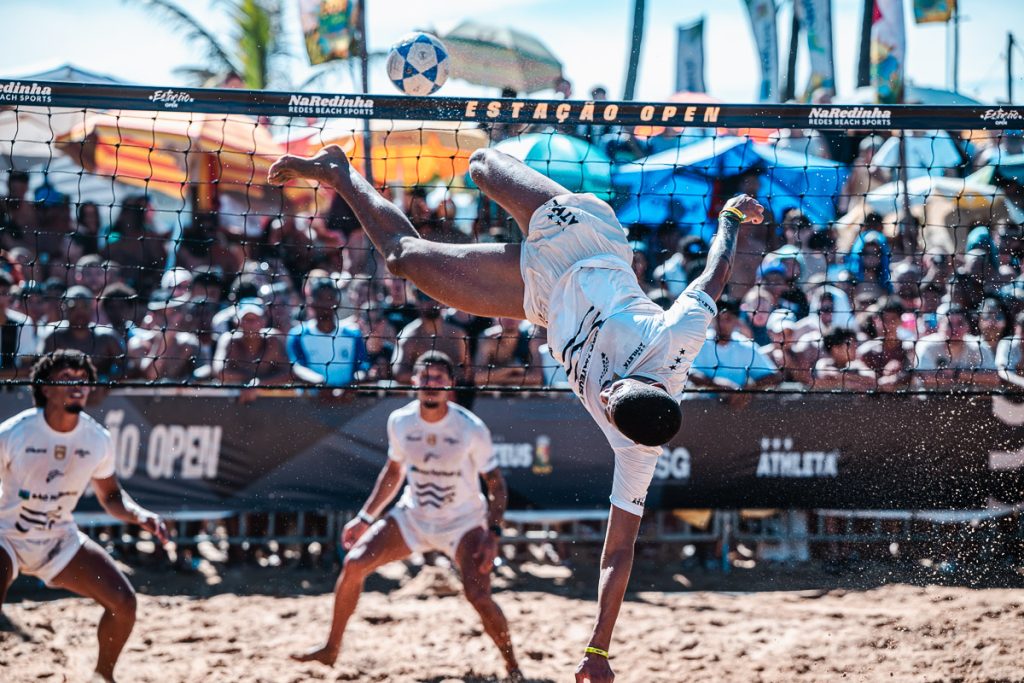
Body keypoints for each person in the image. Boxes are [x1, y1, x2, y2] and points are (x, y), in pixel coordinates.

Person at [269, 144, 764, 682]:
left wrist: (598, 649)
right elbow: (715, 272)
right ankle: (506, 137)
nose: (600, 397)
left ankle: (338, 171)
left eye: (605, 404)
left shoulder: (636, 449)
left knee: (403, 259)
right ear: (639, 382)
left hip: (539, 293)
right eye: (610, 391)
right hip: (588, 243)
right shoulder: (676, 338)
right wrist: (730, 217)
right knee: (481, 165)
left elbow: (618, 552)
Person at [291, 351, 522, 680]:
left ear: (451, 384)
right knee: (354, 563)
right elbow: (393, 472)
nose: (431, 384)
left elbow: (496, 484)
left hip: (463, 523)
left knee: (478, 596)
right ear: (413, 382)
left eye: (438, 378)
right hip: (413, 516)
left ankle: (513, 667)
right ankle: (331, 648)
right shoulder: (400, 420)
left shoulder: (470, 427)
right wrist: (365, 518)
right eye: (425, 378)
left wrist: (492, 533)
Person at [0, 350, 168, 682]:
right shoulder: (14, 433)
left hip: (57, 537)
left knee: (123, 603)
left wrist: (139, 515)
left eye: (83, 379)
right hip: (6, 534)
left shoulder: (97, 439)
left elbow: (111, 497)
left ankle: (102, 677)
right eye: (66, 378)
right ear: (45, 388)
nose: (78, 385)